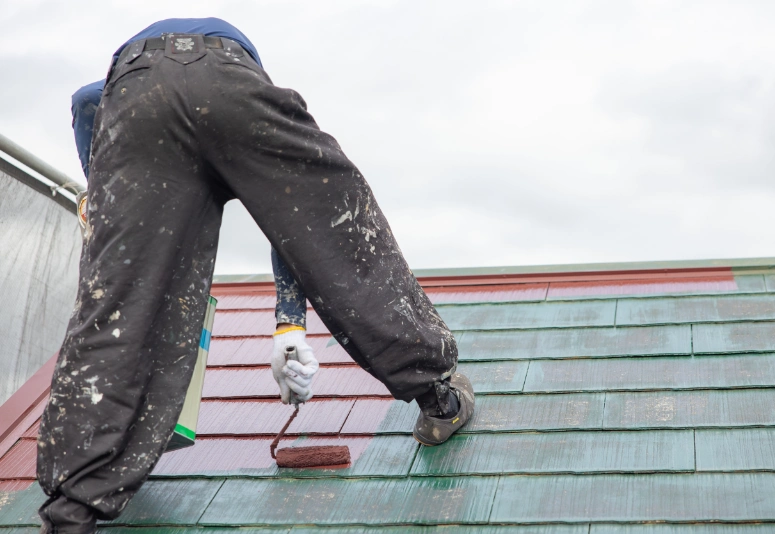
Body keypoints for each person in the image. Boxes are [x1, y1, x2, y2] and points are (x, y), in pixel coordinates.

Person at [37, 17, 474, 533]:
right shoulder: (239, 88)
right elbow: (297, 218)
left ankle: (72, 510)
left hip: (134, 92)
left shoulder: (109, 101)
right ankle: (439, 397)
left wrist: (112, 221)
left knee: (119, 304)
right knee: (332, 223)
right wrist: (288, 323)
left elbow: (88, 99)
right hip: (226, 76)